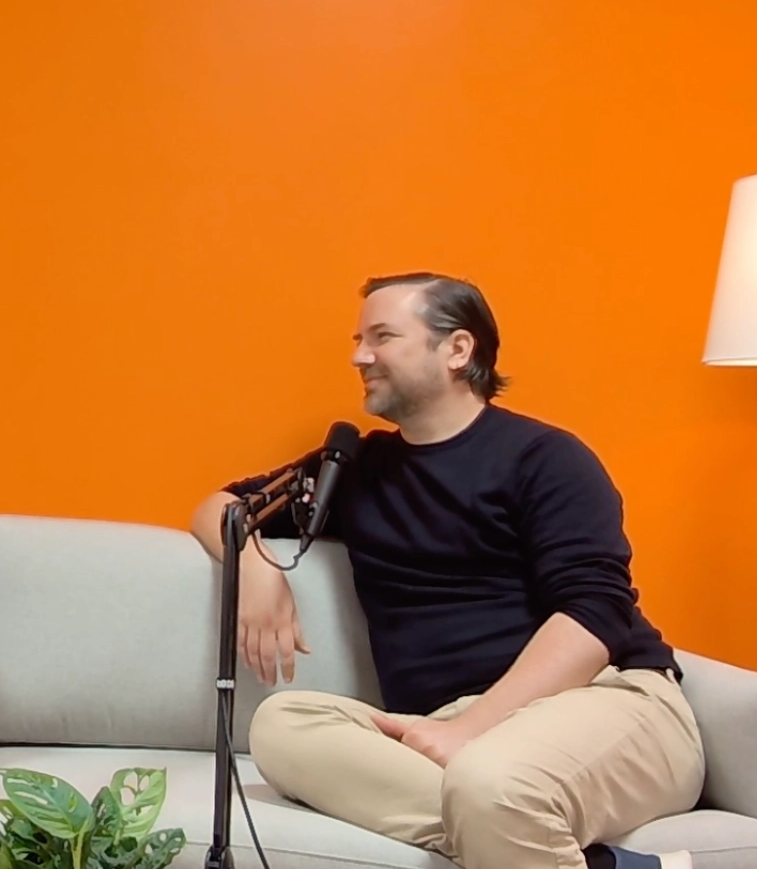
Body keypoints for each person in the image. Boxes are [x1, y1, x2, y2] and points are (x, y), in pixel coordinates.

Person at [188, 274, 704, 869]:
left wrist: (473, 728)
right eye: (358, 339)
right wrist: (256, 567)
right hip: (446, 726)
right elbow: (218, 507)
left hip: (607, 701)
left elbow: (595, 616)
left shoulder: (546, 458)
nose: (360, 356)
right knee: (282, 725)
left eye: (382, 336)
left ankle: (508, 815)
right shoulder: (356, 470)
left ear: (457, 349)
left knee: (488, 783)